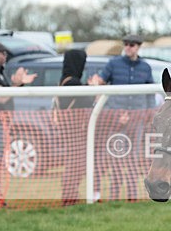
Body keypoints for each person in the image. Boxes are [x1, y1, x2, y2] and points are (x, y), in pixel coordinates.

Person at [89, 34, 155, 200]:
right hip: (116, 119)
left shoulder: (145, 67)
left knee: (134, 158)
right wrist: (97, 82)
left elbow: (150, 93)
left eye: (132, 45)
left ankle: (132, 196)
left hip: (137, 119)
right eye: (126, 44)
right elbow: (102, 83)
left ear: (138, 47)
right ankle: (115, 195)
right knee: (116, 158)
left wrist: (149, 115)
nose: (128, 47)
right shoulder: (113, 63)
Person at [0, 40, 36, 210]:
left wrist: (18, 83)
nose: (5, 57)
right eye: (2, 53)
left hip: (0, 124)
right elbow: (1, 98)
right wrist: (17, 84)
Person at [56, 49, 93, 206]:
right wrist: (93, 87)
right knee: (74, 164)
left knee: (74, 163)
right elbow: (87, 100)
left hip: (69, 129)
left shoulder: (65, 80)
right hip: (73, 129)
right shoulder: (72, 83)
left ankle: (71, 193)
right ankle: (69, 196)